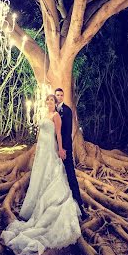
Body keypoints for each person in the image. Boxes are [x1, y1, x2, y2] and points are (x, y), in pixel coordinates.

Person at [1, 94, 81, 255]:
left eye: (52, 100)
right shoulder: (44, 115)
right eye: (48, 100)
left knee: (51, 176)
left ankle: (50, 203)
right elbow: (40, 134)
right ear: (46, 103)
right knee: (39, 177)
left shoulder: (56, 115)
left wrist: (61, 149)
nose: (50, 102)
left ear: (55, 102)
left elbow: (58, 134)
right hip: (42, 151)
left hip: (51, 149)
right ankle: (34, 206)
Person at [54, 88, 87, 219]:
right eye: (57, 95)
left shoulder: (67, 110)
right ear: (54, 96)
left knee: (70, 175)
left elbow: (67, 132)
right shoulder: (52, 110)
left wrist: (64, 149)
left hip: (65, 148)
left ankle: (79, 206)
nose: (60, 97)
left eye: (62, 95)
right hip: (53, 147)